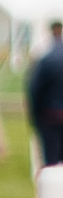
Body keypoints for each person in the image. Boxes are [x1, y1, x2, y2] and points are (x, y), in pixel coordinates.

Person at [28, 19, 63, 169]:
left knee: (51, 160)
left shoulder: (46, 59)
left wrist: (35, 118)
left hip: (50, 116)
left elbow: (35, 90)